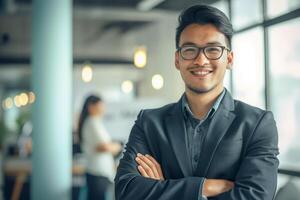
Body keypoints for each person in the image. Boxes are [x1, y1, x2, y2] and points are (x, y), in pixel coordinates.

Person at [114, 4, 279, 200]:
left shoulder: (258, 124)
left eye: (213, 49)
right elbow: (126, 191)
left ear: (230, 59)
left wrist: (162, 188)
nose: (201, 60)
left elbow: (256, 197)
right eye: (190, 50)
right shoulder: (149, 122)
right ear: (177, 59)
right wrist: (204, 187)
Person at [78, 95, 122, 200]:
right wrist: (118, 146)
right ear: (91, 107)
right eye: (100, 106)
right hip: (97, 173)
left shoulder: (93, 122)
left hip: (98, 172)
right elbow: (104, 147)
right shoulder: (92, 122)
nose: (103, 109)